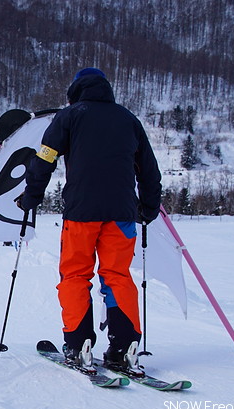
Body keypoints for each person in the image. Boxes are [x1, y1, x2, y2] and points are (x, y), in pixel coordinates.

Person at [18, 67, 162, 372]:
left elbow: (44, 158)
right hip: (122, 214)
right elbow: (149, 169)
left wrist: (32, 196)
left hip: (81, 212)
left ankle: (78, 344)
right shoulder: (128, 120)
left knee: (75, 275)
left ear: (76, 90)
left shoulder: (69, 116)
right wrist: (148, 207)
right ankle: (125, 348)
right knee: (118, 276)